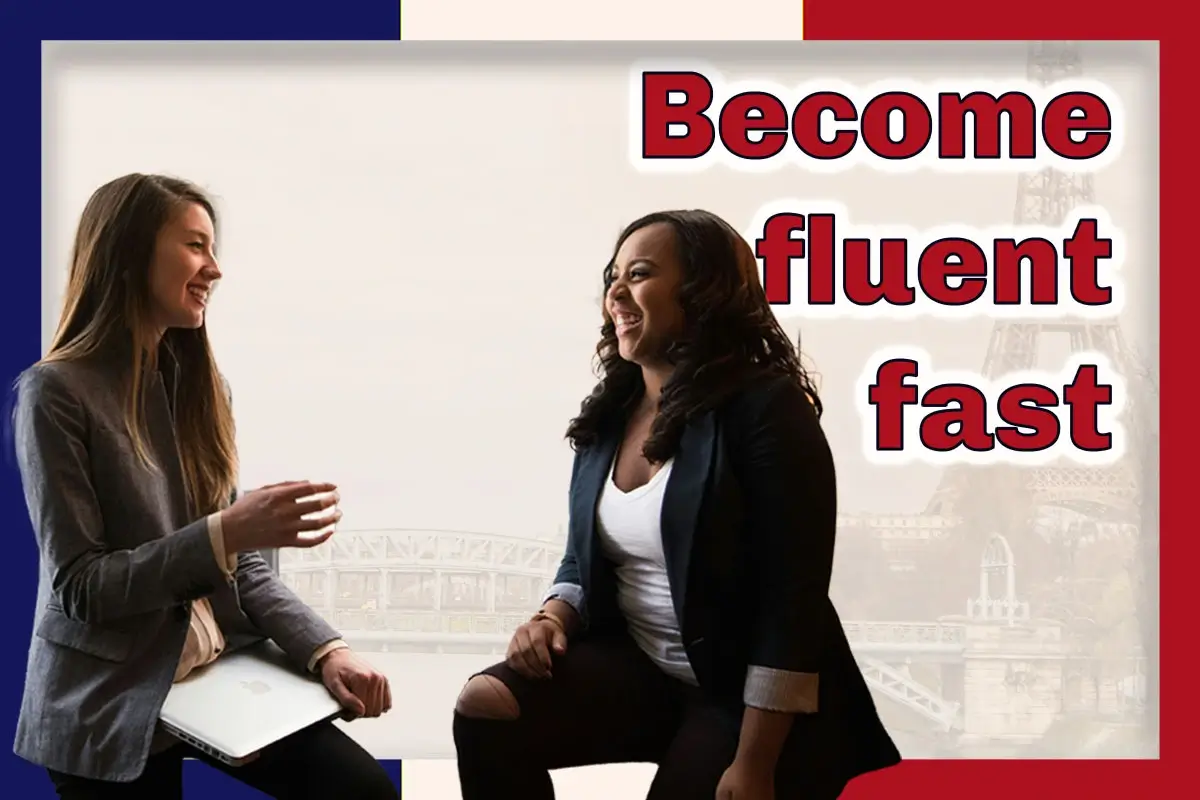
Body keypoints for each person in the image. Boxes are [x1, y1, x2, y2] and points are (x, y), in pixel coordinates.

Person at [452, 210, 902, 799]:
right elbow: (583, 559)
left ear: (703, 291)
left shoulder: (766, 410)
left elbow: (793, 605)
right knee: (485, 707)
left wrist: (755, 763)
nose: (615, 291)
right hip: (645, 673)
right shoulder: (609, 415)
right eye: (612, 276)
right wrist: (553, 616)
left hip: (746, 700)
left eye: (638, 274)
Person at [10, 173, 399, 799]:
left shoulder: (203, 391)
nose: (214, 270)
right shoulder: (52, 394)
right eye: (195, 245)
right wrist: (225, 531)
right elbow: (82, 588)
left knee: (365, 792)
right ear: (130, 252)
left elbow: (244, 569)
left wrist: (328, 651)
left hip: (214, 674)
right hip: (109, 695)